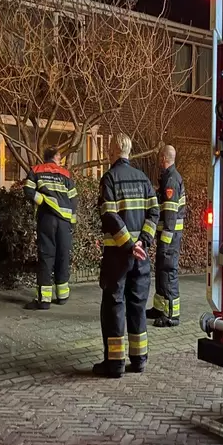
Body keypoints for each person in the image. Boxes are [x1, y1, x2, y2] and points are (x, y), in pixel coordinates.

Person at [94, 133, 160, 378]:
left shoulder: (110, 178)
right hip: (141, 257)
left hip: (117, 256)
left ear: (113, 151)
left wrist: (129, 244)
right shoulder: (143, 179)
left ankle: (115, 364)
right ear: (129, 151)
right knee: (138, 305)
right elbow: (155, 212)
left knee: (114, 306)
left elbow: (109, 215)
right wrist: (144, 241)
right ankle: (139, 359)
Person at [23, 147, 78, 309]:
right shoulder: (65, 174)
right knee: (63, 256)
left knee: (46, 256)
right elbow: (74, 199)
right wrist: (72, 222)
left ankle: (44, 300)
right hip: (65, 221)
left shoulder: (36, 170)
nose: (61, 158)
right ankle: (62, 296)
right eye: (59, 156)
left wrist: (45, 202)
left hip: (47, 219)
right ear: (54, 157)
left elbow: (28, 190)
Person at [147, 145, 186, 328]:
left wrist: (164, 240)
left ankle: (171, 315)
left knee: (168, 271)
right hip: (167, 235)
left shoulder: (171, 180)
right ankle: (159, 308)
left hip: (169, 236)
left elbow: (170, 214)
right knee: (162, 270)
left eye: (159, 158)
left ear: (164, 158)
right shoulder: (168, 178)